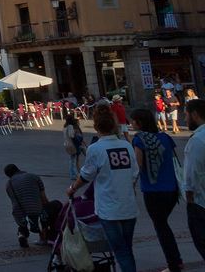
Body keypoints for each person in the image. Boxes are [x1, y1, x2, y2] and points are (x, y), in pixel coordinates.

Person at [66, 104, 138, 272]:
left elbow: (85, 175)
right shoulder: (127, 146)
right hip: (128, 205)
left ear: (96, 126)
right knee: (127, 248)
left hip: (109, 207)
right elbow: (134, 174)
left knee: (120, 250)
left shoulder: (96, 148)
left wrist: (72, 188)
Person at [129, 107, 182, 272]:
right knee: (163, 224)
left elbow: (137, 166)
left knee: (161, 227)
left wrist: (130, 186)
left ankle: (174, 263)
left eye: (133, 120)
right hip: (172, 189)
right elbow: (174, 161)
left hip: (153, 191)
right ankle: (175, 261)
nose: (131, 123)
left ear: (139, 122)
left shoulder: (139, 139)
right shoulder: (165, 137)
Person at [4, 164, 48, 248]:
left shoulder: (8, 184)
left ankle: (22, 234)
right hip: (36, 208)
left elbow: (13, 200)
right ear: (18, 169)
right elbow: (43, 198)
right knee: (42, 217)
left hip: (19, 211)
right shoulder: (34, 177)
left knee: (22, 224)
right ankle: (43, 238)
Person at [184, 98, 205, 261]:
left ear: (195, 115)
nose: (185, 119)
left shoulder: (197, 140)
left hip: (201, 202)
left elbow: (191, 175)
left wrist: (189, 198)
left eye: (186, 115)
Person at [63, 113, 85, 179]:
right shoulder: (70, 126)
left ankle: (73, 173)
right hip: (72, 145)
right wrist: (75, 133)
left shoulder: (65, 127)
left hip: (67, 144)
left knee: (72, 160)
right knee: (73, 160)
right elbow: (71, 135)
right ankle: (73, 174)